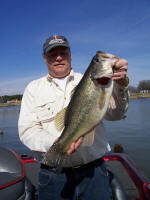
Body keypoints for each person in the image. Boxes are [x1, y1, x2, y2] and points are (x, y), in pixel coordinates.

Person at [18, 35, 129, 200]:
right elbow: (27, 130)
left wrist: (121, 85)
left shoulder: (95, 81)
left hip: (94, 173)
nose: (58, 57)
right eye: (52, 54)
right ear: (44, 58)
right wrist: (56, 143)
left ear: (70, 54)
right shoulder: (33, 89)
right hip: (53, 175)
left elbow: (117, 114)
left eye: (63, 52)